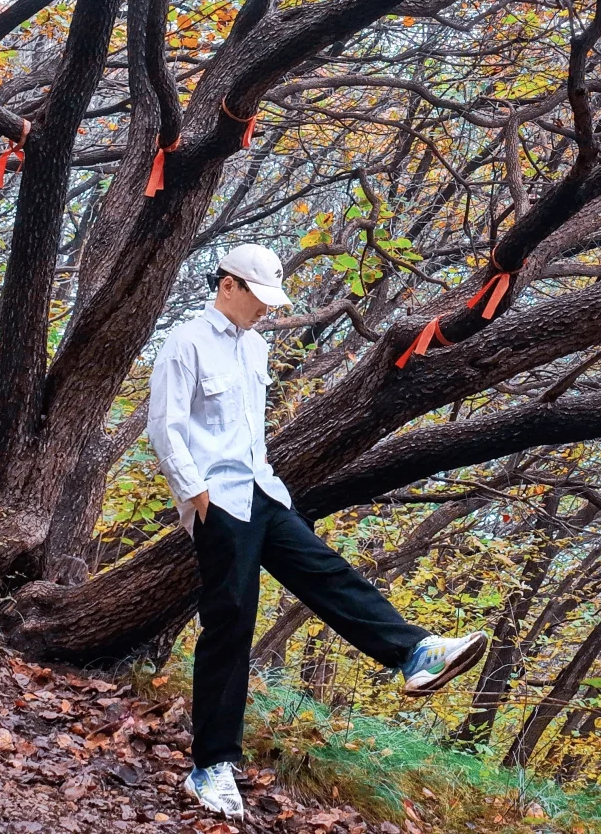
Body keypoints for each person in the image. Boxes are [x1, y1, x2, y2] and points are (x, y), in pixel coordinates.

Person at [147, 243, 488, 821]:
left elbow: (250, 433)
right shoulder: (186, 343)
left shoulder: (255, 347)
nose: (265, 309)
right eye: (258, 297)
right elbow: (165, 426)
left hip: (262, 491)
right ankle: (211, 767)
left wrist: (268, 485)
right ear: (228, 285)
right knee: (231, 623)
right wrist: (196, 497)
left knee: (326, 571)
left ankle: (413, 653)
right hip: (217, 501)